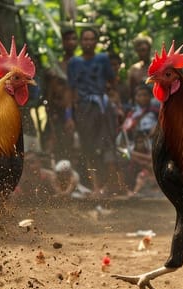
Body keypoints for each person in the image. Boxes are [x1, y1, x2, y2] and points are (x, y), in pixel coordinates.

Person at [66, 28, 117, 196]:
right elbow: (71, 90)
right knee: (88, 147)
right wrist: (69, 116)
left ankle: (108, 186)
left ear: (96, 42)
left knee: (108, 143)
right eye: (85, 39)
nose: (88, 42)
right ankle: (95, 186)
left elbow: (112, 82)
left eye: (91, 39)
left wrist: (117, 105)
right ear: (81, 42)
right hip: (84, 108)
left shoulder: (103, 59)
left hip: (102, 106)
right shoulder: (74, 62)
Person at [42, 29, 76, 160]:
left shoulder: (81, 64)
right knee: (53, 145)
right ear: (63, 42)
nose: (71, 42)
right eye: (67, 39)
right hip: (58, 113)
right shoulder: (57, 67)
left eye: (73, 39)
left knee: (76, 149)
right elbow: (51, 94)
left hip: (78, 112)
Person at [126, 34, 152, 99]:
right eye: (140, 51)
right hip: (140, 104)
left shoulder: (158, 65)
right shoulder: (134, 69)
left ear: (149, 49)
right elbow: (130, 92)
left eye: (144, 50)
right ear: (137, 51)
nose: (143, 53)